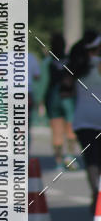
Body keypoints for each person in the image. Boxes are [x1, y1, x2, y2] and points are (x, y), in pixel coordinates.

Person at [67, 31, 101, 212]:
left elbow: (65, 92)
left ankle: (95, 191)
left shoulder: (77, 66)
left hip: (82, 120)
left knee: (91, 160)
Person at [43, 33, 78, 169]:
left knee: (56, 131)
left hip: (53, 96)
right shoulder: (71, 61)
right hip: (68, 97)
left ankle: (58, 161)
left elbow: (43, 82)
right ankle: (70, 156)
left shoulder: (48, 62)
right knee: (70, 129)